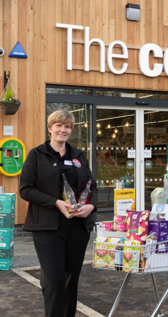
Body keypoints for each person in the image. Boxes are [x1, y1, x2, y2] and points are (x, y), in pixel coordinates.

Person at [20, 110, 98, 317]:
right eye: (59, 125)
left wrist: (91, 206)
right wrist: (55, 203)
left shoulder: (79, 156)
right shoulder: (37, 155)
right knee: (54, 280)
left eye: (67, 127)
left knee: (70, 280)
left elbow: (92, 187)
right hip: (47, 227)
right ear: (50, 128)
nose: (63, 130)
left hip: (77, 227)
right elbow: (25, 189)